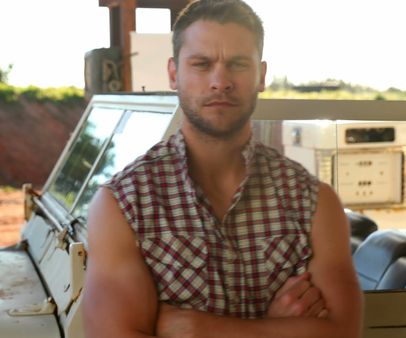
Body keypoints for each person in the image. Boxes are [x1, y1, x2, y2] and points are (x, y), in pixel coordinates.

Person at [82, 0, 363, 337]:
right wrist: (273, 329)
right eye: (201, 64)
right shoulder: (125, 205)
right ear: (174, 74)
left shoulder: (313, 202)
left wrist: (194, 327)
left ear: (261, 76)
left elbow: (343, 332)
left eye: (238, 64)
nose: (220, 81)